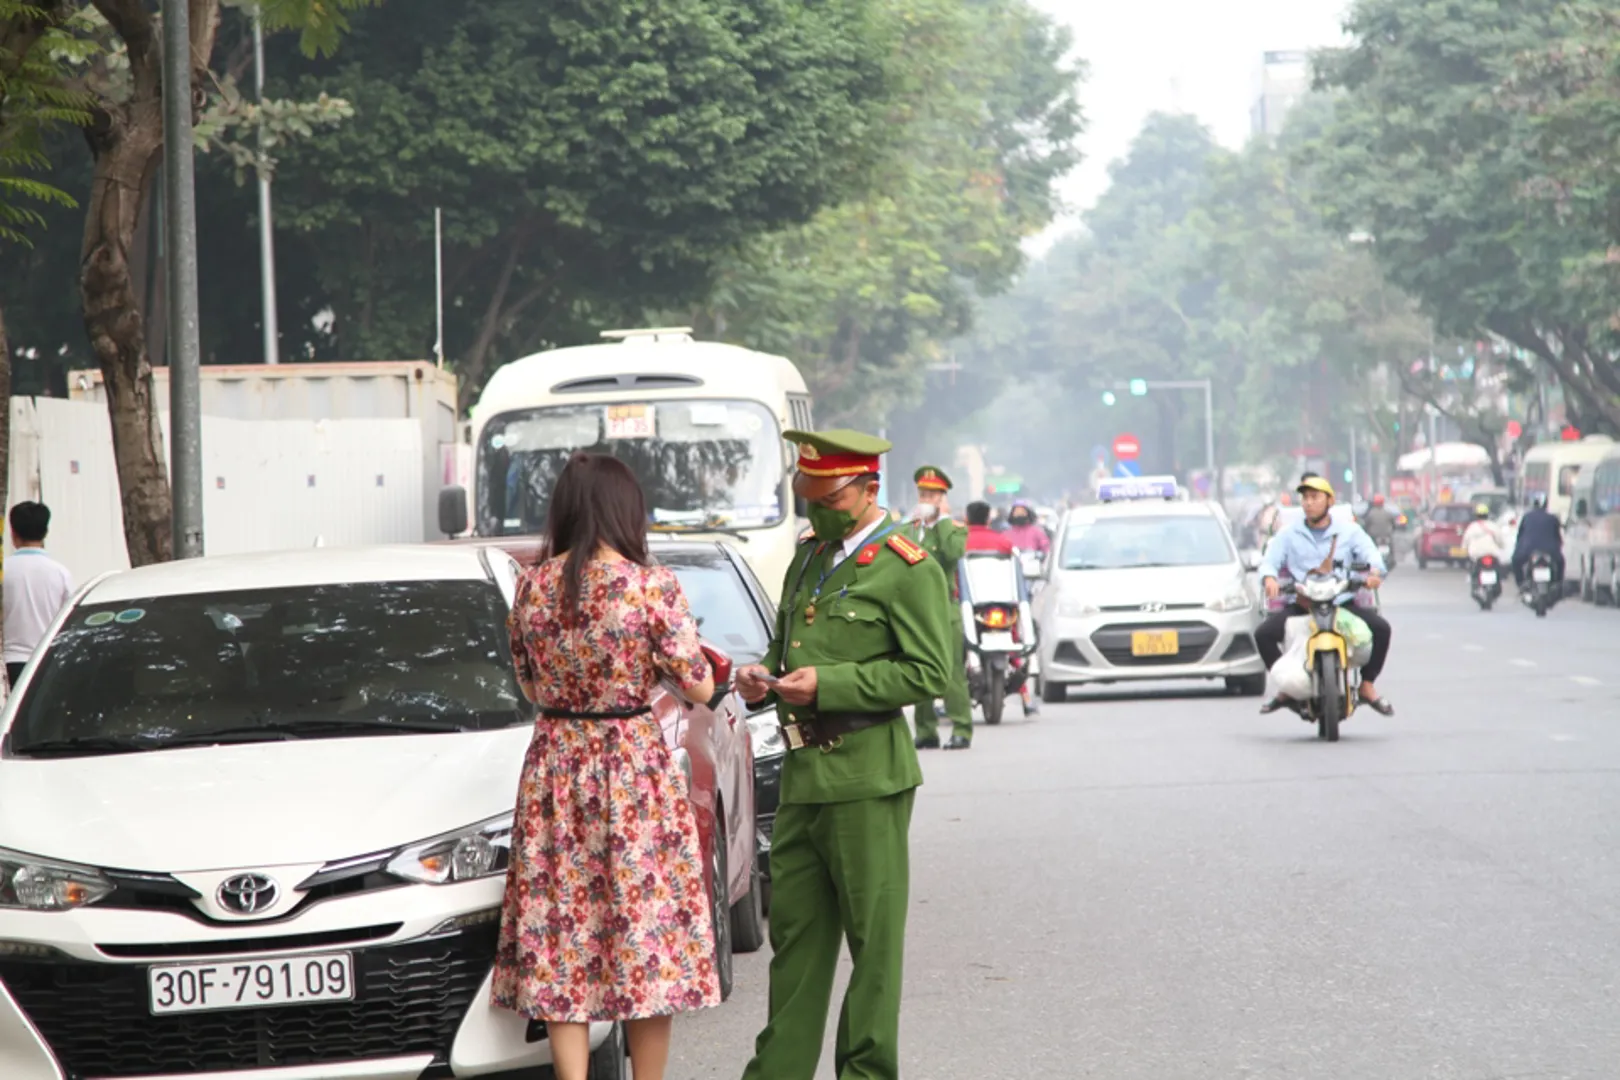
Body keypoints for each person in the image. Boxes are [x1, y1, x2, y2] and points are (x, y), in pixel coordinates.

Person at [734, 428, 955, 1080]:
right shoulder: (809, 554)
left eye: (826, 496)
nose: (814, 508)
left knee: (872, 948)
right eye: (807, 494)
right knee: (795, 945)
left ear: (866, 490)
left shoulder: (907, 565)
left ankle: (865, 1072)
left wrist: (831, 685)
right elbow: (788, 649)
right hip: (804, 776)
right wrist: (761, 675)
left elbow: (930, 674)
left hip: (867, 775)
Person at [493, 452, 719, 1080]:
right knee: (643, 931)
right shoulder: (652, 586)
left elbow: (527, 678)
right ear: (625, 511)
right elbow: (697, 684)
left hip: (556, 765)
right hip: (631, 765)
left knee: (562, 929)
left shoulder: (532, 586)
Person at [1255, 476, 1395, 716]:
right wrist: (1269, 578)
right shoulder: (1289, 534)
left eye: (1315, 497)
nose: (1309, 503)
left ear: (1329, 501)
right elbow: (1270, 560)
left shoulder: (1350, 531)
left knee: (1382, 629)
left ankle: (1367, 684)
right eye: (1305, 498)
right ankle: (1287, 689)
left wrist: (1374, 573)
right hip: (1303, 604)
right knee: (1263, 635)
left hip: (1341, 603)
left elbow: (1372, 555)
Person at [907, 465, 974, 751]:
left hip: (944, 609)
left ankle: (961, 728)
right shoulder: (909, 529)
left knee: (951, 673)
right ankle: (925, 731)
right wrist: (917, 526)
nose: (927, 499)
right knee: (918, 670)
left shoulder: (954, 530)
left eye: (933, 495)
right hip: (916, 611)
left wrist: (943, 519)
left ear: (943, 499)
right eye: (923, 493)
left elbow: (952, 553)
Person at [3, 501, 73, 689]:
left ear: (13, 534)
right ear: (45, 532)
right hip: (49, 657)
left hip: (13, 659)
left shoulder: (5, 570)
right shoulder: (60, 573)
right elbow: (69, 620)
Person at [1512, 493, 1563, 588]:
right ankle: (1557, 584)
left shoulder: (1527, 517)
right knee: (1561, 563)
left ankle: (1521, 584)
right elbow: (1558, 537)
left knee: (1515, 561)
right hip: (1550, 551)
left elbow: (1520, 536)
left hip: (1528, 550)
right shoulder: (1552, 518)